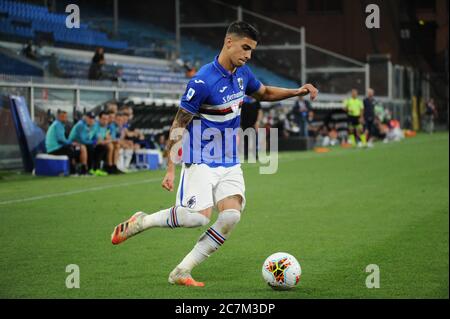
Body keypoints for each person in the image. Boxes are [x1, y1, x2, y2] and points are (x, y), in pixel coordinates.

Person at [110, 21, 318, 287]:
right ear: (228, 42)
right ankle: (143, 221)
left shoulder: (243, 74)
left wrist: (296, 91)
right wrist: (171, 167)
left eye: (252, 50)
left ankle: (181, 271)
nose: (248, 55)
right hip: (200, 157)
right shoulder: (202, 81)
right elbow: (178, 124)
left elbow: (263, 92)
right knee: (195, 218)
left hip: (230, 160)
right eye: (245, 48)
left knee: (231, 216)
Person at [45, 110, 87, 174]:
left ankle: (77, 169)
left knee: (74, 149)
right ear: (58, 117)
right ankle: (76, 170)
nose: (64, 118)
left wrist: (71, 143)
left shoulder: (58, 125)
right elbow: (61, 140)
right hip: (54, 149)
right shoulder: (58, 125)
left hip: (54, 149)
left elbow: (62, 139)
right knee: (75, 149)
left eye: (65, 117)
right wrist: (71, 143)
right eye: (62, 116)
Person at [240, 95, 262, 160]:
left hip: (253, 124)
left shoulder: (256, 101)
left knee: (254, 139)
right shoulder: (243, 101)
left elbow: (260, 112)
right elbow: (239, 112)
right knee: (245, 140)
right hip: (244, 124)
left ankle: (254, 154)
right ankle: (246, 155)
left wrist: (258, 122)